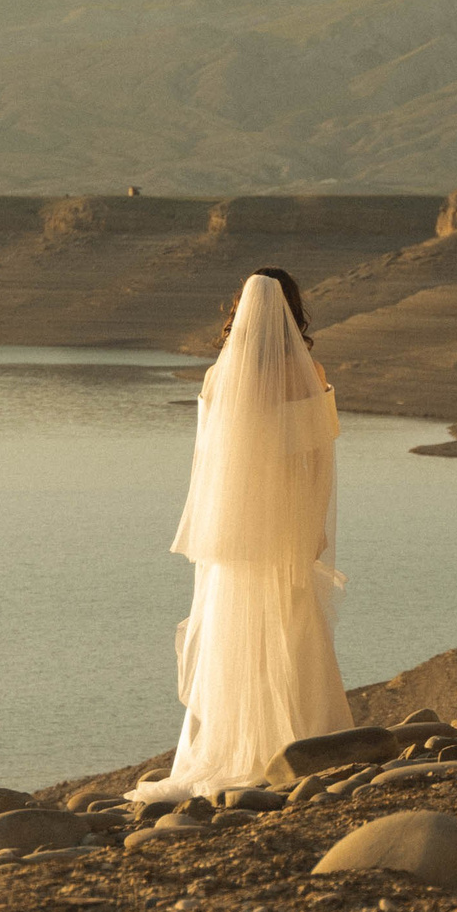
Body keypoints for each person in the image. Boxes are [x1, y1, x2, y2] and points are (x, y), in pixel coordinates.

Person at [129, 269, 350, 804]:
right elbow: (317, 461)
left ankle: (228, 746)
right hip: (283, 529)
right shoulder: (309, 374)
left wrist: (215, 526)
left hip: (232, 536)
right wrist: (314, 524)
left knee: (231, 638)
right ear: (294, 312)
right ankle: (301, 744)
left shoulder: (217, 378)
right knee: (291, 626)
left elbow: (205, 463)